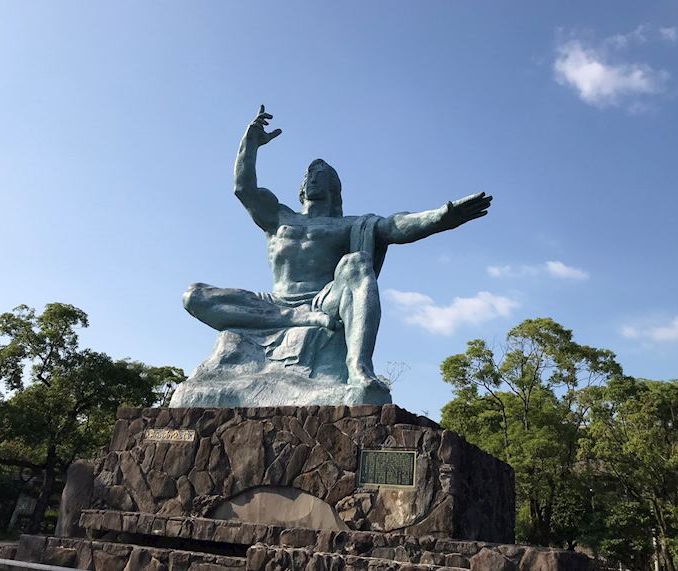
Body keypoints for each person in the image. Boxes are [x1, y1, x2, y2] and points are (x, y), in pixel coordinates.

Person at [184, 105, 492, 388]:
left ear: (334, 188)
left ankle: (358, 366)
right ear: (301, 186)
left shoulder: (347, 225)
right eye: (308, 175)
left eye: (321, 176)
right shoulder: (278, 218)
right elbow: (243, 189)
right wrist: (250, 144)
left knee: (357, 263)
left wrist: (440, 216)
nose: (312, 178)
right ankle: (293, 318)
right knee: (194, 295)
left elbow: (395, 226)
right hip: (275, 302)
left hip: (323, 301)